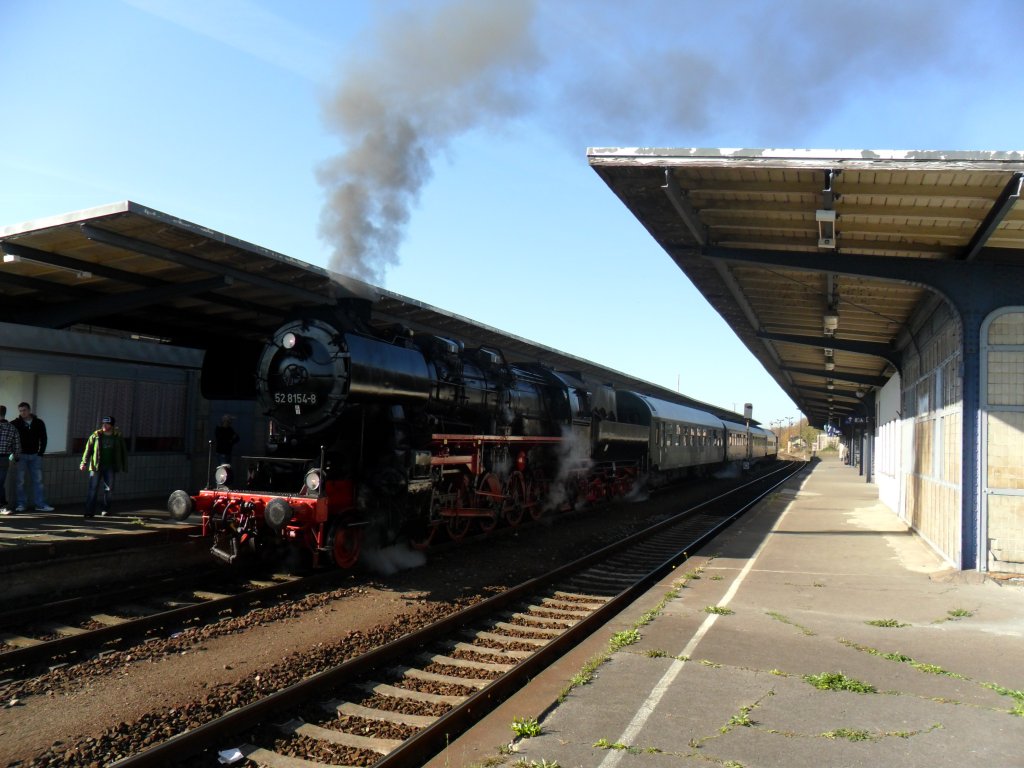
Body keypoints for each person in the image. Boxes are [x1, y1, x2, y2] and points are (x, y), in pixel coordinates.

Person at [79, 416, 128, 518]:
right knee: (92, 489)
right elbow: (88, 449)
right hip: (96, 466)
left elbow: (123, 451)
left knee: (109, 489)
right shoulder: (96, 435)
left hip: (110, 466)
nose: (104, 425)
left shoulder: (117, 436)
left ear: (112, 425)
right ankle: (89, 511)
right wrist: (83, 462)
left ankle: (106, 509)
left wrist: (124, 466)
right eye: (103, 423)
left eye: (107, 424)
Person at [11, 402, 53, 512]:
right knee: (20, 481)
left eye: (24, 410)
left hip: (35, 456)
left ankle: (40, 504)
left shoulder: (38, 423)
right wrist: (14, 453)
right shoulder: (16, 423)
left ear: (29, 410)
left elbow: (44, 438)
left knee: (38, 481)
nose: (22, 413)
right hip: (21, 456)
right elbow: (10, 437)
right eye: (20, 411)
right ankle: (21, 504)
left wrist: (40, 453)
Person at [0, 406, 22, 515]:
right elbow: (16, 445)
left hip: (4, 457)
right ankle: (2, 506)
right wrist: (16, 457)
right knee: (0, 482)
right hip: (4, 458)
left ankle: (2, 505)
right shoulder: (12, 428)